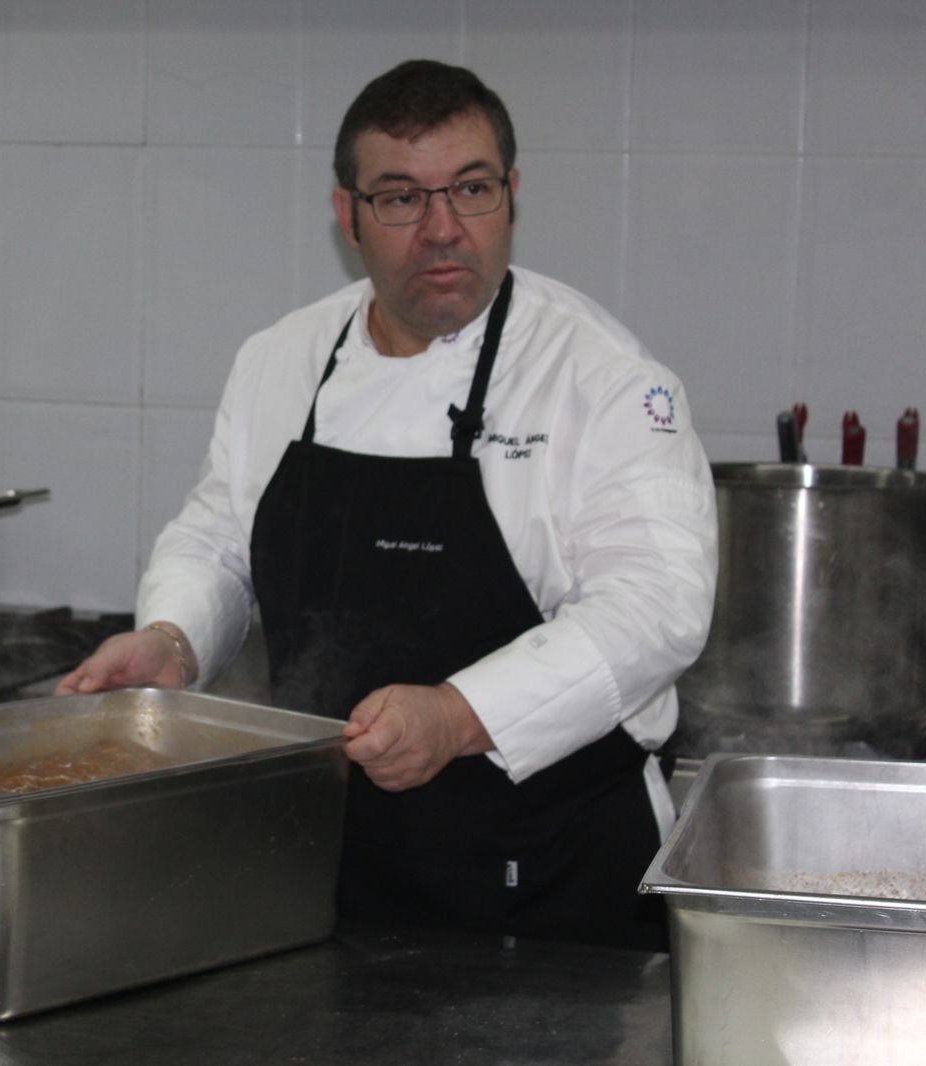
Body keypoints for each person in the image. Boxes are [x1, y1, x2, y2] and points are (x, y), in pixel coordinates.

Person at [56, 59, 717, 952]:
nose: (443, 229)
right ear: (348, 215)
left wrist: (455, 715)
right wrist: (172, 641)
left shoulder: (602, 378)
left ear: (512, 195)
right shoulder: (282, 359)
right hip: (321, 878)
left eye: (471, 190)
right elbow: (217, 537)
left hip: (551, 896)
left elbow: (658, 608)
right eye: (402, 198)